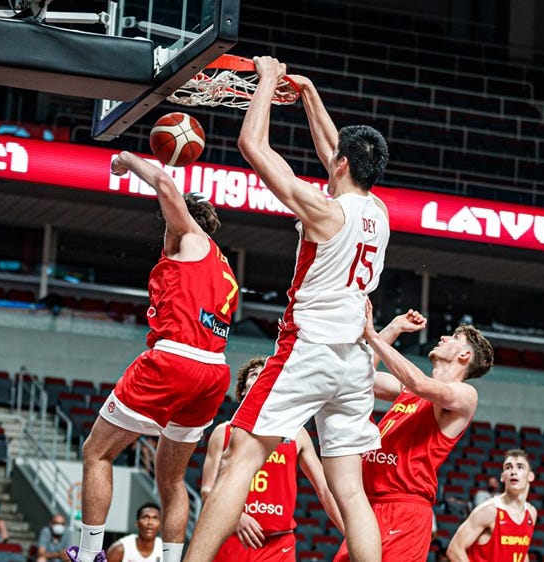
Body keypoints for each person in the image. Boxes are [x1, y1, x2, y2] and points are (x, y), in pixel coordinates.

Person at [185, 57, 390, 562]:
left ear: (341, 164)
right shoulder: (378, 212)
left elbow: (253, 147)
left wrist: (270, 81)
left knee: (241, 459)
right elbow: (333, 153)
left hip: (309, 350)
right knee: (351, 491)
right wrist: (310, 92)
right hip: (355, 364)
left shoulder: (325, 211)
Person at [66, 150, 239, 562]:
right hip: (213, 370)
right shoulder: (222, 265)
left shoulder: (191, 238)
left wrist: (127, 159)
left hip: (174, 360)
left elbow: (165, 185)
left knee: (97, 451)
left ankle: (90, 554)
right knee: (172, 478)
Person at [334, 305, 493, 562]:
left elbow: (420, 383)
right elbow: (358, 377)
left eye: (453, 337)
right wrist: (393, 328)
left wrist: (372, 336)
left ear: (464, 355)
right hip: (368, 504)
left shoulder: (464, 395)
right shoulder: (406, 391)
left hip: (405, 509)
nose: (442, 338)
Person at [201, 358, 344, 561]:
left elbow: (324, 489)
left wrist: (350, 532)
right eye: (253, 374)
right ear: (242, 390)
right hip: (234, 536)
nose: (260, 376)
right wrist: (236, 518)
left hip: (279, 543)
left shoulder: (296, 433)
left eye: (266, 372)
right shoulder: (223, 431)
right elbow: (207, 490)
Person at [446, 449, 537, 562]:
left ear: (530, 476)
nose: (513, 471)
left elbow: (522, 553)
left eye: (520, 467)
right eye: (508, 467)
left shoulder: (531, 513)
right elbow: (454, 549)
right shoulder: (489, 511)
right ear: (503, 477)